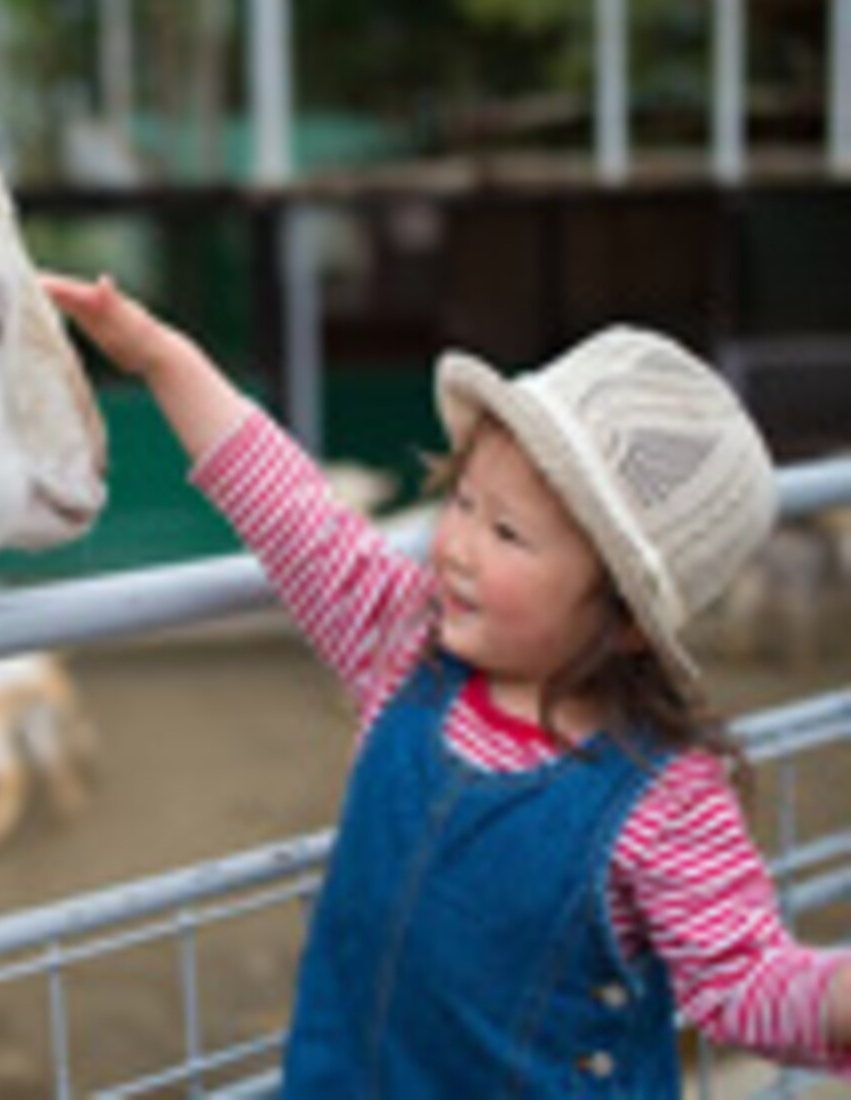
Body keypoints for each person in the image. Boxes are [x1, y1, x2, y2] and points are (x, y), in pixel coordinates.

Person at [43, 272, 851, 1097]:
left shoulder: (667, 801)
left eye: (506, 532)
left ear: (627, 616)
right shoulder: (405, 646)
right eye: (462, 501)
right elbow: (291, 510)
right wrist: (160, 357)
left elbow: (751, 986)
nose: (458, 545)